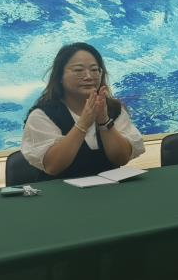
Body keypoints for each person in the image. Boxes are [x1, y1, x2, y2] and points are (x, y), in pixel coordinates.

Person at [21, 42, 145, 178]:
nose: (88, 76)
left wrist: (104, 122)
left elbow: (121, 159)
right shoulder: (42, 115)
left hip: (111, 188)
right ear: (59, 76)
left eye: (94, 70)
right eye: (78, 70)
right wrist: (82, 124)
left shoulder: (114, 109)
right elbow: (52, 166)